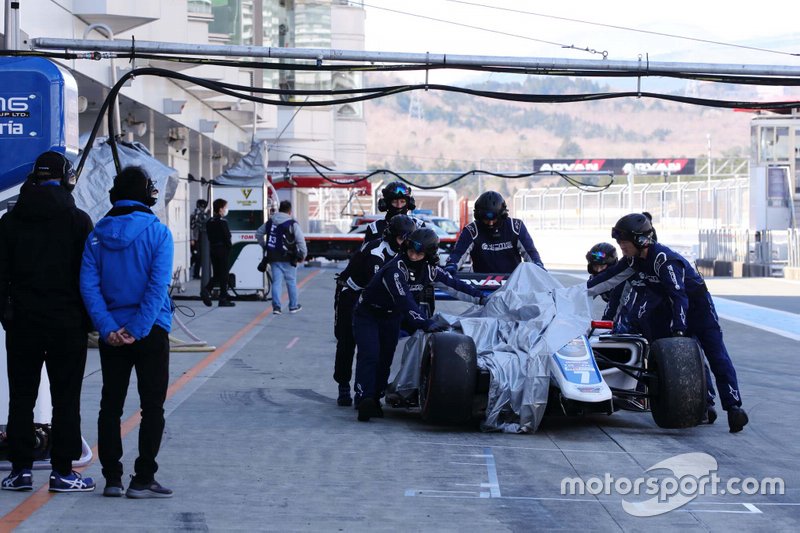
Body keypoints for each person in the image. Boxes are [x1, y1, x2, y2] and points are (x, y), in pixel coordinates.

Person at [587, 213, 748, 433]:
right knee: (689, 361)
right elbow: (609, 279)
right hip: (668, 309)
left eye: (624, 242)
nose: (621, 247)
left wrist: (679, 331)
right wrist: (576, 293)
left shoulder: (665, 259)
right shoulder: (634, 260)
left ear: (640, 240)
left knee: (715, 354)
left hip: (698, 308)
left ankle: (734, 407)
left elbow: (679, 295)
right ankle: (704, 406)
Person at [0, 151, 95, 493]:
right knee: (65, 398)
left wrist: (7, 315)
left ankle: (20, 471)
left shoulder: (9, 221)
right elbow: (89, 277)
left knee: (21, 398)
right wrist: (88, 319)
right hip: (67, 323)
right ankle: (63, 472)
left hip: (23, 322)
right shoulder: (78, 220)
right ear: (65, 176)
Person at [80, 166, 174, 498]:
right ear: (147, 194)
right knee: (152, 406)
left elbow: (88, 287)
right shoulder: (159, 233)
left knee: (111, 406)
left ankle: (112, 479)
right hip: (151, 331)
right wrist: (138, 329)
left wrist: (108, 328)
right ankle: (143, 478)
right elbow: (157, 287)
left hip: (112, 336)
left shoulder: (96, 236)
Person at [352, 228, 487, 422]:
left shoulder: (431, 270)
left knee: (385, 358)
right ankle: (364, 398)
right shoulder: (395, 269)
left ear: (429, 255)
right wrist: (424, 322)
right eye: (411, 250)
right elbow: (404, 300)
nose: (413, 255)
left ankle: (375, 397)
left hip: (391, 317)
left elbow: (454, 285)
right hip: (368, 314)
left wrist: (481, 298)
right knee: (370, 354)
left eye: (419, 253)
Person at [333, 214, 417, 407]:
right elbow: (381, 286)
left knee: (383, 350)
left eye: (408, 239)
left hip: (383, 301)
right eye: (401, 238)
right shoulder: (375, 251)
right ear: (391, 235)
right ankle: (345, 385)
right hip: (354, 295)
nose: (405, 243)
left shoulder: (408, 252)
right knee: (348, 342)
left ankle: (373, 393)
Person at [445, 191, 544, 274]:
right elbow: (458, 253)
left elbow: (530, 252)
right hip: (480, 283)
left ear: (503, 215)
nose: (491, 223)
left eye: (494, 219)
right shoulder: (471, 230)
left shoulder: (516, 227)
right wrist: (451, 266)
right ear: (478, 216)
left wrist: (538, 266)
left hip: (512, 283)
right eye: (486, 220)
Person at [257, 200, 307, 315]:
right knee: (291, 282)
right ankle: (293, 306)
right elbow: (301, 241)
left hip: (273, 257)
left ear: (280, 209)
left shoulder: (270, 222)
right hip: (289, 258)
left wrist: (265, 246)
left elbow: (258, 233)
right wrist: (303, 254)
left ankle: (276, 308)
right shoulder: (292, 223)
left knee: (277, 282)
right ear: (290, 211)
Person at [202, 199, 235, 307]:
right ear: (220, 209)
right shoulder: (223, 222)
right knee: (224, 274)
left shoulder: (209, 222)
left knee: (217, 273)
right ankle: (223, 298)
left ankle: (206, 290)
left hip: (213, 249)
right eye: (225, 207)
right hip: (222, 250)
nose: (226, 209)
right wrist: (229, 248)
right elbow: (227, 237)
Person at [189, 199, 208, 280]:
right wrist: (192, 238)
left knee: (199, 257)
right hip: (196, 238)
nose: (202, 208)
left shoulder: (205, 215)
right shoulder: (194, 215)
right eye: (201, 207)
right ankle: (190, 268)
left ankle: (196, 274)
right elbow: (191, 227)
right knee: (196, 256)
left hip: (202, 238)